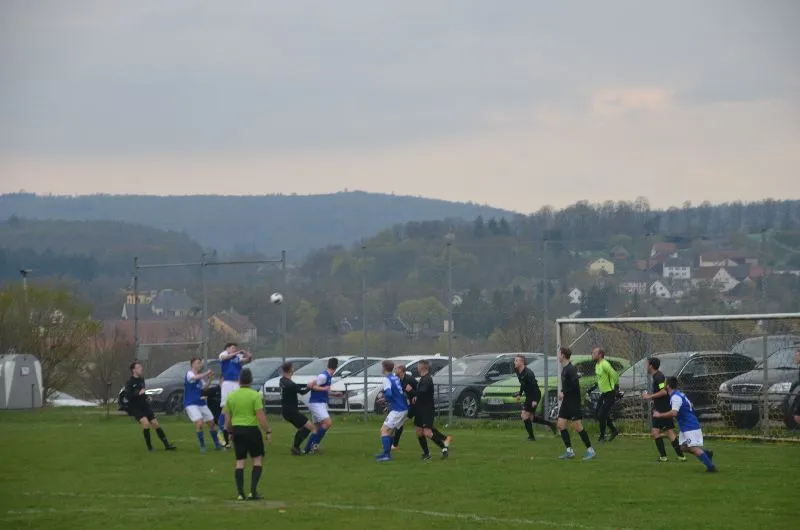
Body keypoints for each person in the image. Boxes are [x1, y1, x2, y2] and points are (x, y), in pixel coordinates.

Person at [223, 368, 273, 500]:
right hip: (251, 430)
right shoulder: (254, 395)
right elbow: (260, 416)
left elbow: (227, 419)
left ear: (239, 381)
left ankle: (240, 493)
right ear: (251, 380)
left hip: (237, 430)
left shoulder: (231, 396)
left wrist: (229, 432)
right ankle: (253, 491)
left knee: (240, 462)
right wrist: (267, 431)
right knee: (257, 459)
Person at [653, 377, 717, 473]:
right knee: (683, 448)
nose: (663, 385)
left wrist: (659, 415)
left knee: (693, 448)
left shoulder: (675, 397)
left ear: (668, 386)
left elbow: (673, 413)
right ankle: (706, 453)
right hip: (685, 425)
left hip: (689, 425)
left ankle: (711, 467)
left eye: (665, 384)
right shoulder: (678, 394)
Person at [641, 357, 686, 462]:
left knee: (663, 432)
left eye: (647, 364)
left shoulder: (659, 377)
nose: (645, 366)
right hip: (660, 407)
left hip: (662, 409)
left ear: (651, 365)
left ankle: (674, 456)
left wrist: (650, 396)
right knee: (660, 431)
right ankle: (671, 456)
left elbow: (664, 391)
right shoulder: (657, 376)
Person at [124, 361, 176, 452]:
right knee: (146, 423)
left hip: (145, 405)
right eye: (139, 367)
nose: (141, 369)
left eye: (141, 367)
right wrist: (138, 393)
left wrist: (147, 397)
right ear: (133, 370)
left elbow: (143, 392)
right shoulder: (129, 382)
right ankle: (150, 447)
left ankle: (167, 445)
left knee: (156, 424)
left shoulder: (141, 379)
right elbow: (128, 396)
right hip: (136, 407)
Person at [556, 347, 595, 460]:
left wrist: (564, 392)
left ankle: (590, 450)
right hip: (566, 402)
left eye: (559, 354)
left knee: (577, 426)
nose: (558, 356)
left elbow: (574, 384)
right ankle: (569, 451)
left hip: (573, 401)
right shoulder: (565, 369)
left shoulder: (571, 369)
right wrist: (563, 391)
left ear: (563, 355)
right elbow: (567, 385)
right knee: (561, 424)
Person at [413, 359, 452, 460]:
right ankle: (427, 454)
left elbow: (422, 392)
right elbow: (420, 393)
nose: (417, 368)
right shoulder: (422, 378)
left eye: (418, 366)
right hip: (420, 409)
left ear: (422, 367)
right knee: (419, 431)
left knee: (427, 432)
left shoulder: (427, 379)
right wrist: (416, 397)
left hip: (427, 409)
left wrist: (413, 392)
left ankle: (444, 448)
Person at [512, 354, 556, 441]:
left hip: (534, 395)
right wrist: (520, 394)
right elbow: (523, 384)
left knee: (524, 415)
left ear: (522, 362)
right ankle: (552, 425)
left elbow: (534, 387)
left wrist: (534, 400)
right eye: (515, 360)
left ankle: (531, 437)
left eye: (516, 360)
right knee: (531, 418)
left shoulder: (529, 373)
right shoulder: (518, 371)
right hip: (529, 395)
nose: (515, 362)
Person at [184, 357, 222, 452]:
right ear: (192, 364)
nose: (200, 364)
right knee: (200, 423)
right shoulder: (189, 373)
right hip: (191, 403)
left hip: (201, 403)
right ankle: (202, 446)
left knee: (212, 423)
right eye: (198, 363)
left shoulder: (200, 378)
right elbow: (194, 378)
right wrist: (206, 373)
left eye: (200, 363)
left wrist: (210, 379)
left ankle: (217, 444)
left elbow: (204, 388)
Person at [217, 343, 253, 443]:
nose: (235, 349)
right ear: (227, 348)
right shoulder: (223, 354)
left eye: (235, 348)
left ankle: (230, 432)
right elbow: (224, 358)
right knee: (225, 407)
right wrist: (237, 353)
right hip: (228, 383)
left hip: (237, 383)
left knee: (235, 408)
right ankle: (220, 431)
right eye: (232, 347)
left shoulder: (237, 357)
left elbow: (248, 359)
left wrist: (246, 354)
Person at [279, 361, 317, 455]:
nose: (293, 369)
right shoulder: (290, 384)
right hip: (292, 412)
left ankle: (296, 448)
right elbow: (302, 392)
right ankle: (296, 447)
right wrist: (310, 387)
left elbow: (296, 387)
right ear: (290, 370)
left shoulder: (282, 380)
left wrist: (306, 386)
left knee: (304, 428)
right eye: (292, 367)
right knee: (309, 427)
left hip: (286, 411)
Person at [376, 360, 409, 462]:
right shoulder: (394, 377)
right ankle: (386, 453)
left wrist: (385, 398)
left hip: (398, 409)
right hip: (403, 408)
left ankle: (386, 455)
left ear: (384, 368)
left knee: (384, 430)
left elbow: (389, 394)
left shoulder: (387, 379)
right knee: (389, 432)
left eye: (382, 367)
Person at [303, 357, 338, 454]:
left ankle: (309, 449)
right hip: (316, 403)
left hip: (320, 403)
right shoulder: (323, 376)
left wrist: (334, 394)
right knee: (328, 423)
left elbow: (322, 388)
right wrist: (324, 389)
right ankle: (312, 446)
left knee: (318, 428)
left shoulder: (327, 376)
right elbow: (311, 386)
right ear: (336, 367)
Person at [592, 347, 620, 442]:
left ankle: (602, 437)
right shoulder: (597, 365)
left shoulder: (605, 364)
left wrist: (616, 387)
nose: (592, 355)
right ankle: (614, 430)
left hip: (610, 393)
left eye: (594, 353)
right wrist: (593, 387)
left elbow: (614, 375)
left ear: (600, 355)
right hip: (604, 393)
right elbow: (600, 379)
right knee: (598, 413)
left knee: (602, 414)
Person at [392, 364, 417, 450]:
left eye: (396, 368)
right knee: (399, 423)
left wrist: (412, 391)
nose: (395, 370)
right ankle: (395, 445)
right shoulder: (400, 380)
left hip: (417, 406)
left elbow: (420, 391)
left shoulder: (409, 379)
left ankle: (394, 445)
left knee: (425, 429)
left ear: (401, 370)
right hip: (410, 406)